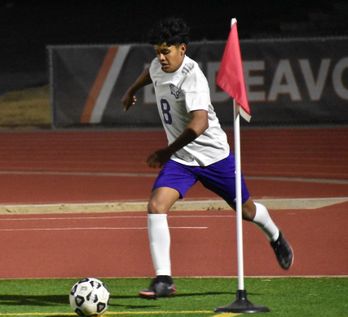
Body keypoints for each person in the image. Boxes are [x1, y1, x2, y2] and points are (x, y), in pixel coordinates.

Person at [121, 17, 294, 299]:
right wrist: (131, 91)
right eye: (157, 51)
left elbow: (199, 123)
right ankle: (163, 279)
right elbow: (149, 73)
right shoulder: (157, 65)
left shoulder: (193, 77)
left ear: (183, 49)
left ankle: (275, 236)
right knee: (156, 206)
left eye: (166, 51)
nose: (161, 57)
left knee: (247, 211)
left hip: (214, 158)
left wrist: (165, 151)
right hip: (182, 159)